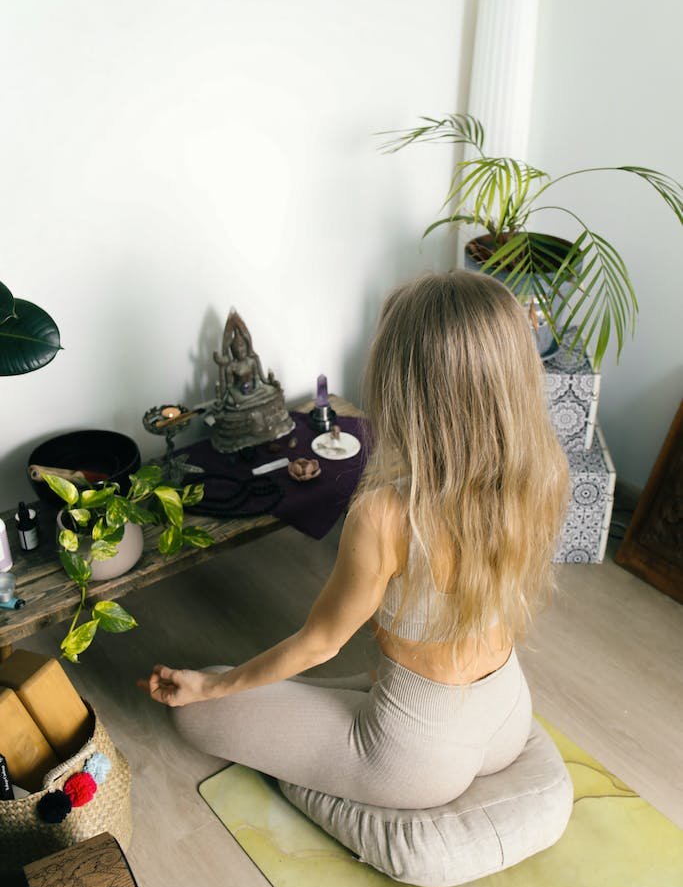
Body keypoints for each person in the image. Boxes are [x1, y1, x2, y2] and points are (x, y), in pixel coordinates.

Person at [139, 271, 569, 809]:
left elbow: (320, 643)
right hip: (508, 712)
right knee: (326, 687)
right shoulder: (542, 474)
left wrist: (213, 690)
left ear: (405, 391)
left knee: (199, 706)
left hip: (419, 757)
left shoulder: (388, 513)